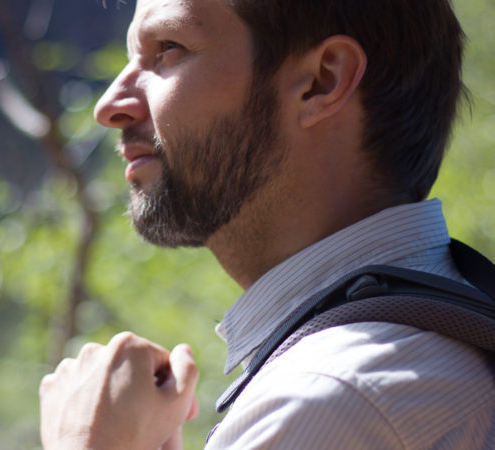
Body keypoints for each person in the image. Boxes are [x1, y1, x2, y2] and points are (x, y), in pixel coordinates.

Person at [39, 0, 495, 448]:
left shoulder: (325, 401)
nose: (110, 105)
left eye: (168, 49)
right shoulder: (434, 351)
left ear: (322, 81)